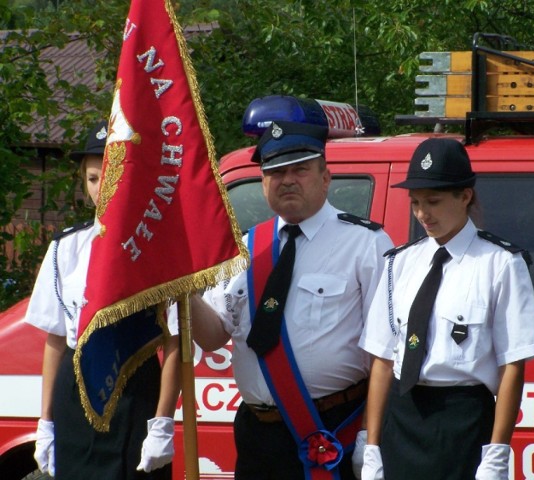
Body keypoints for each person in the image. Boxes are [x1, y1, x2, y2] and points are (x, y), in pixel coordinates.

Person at [190, 120, 393, 479]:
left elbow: (385, 353)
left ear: (325, 177)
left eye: (300, 169)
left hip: (331, 432)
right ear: (263, 182)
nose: (287, 180)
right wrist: (183, 292)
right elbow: (211, 336)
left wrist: (370, 439)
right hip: (257, 436)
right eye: (276, 171)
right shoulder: (244, 250)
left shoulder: (366, 244)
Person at [358, 138, 534, 480]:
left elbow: (512, 367)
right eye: (415, 202)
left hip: (463, 421)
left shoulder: (500, 264)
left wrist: (496, 452)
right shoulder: (400, 263)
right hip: (403, 419)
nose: (422, 214)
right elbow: (383, 360)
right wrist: (372, 446)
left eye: (433, 201)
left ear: (465, 196)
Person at [26, 120, 181, 479]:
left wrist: (162, 420)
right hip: (75, 387)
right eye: (93, 178)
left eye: (110, 175)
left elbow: (174, 343)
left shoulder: (159, 250)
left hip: (135, 388)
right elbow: (55, 339)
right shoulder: (66, 247)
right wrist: (46, 419)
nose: (102, 187)